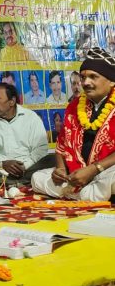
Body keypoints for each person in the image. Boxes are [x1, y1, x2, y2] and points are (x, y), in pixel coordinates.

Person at [32, 48, 115, 201]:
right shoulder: (74, 106)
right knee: (37, 178)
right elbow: (62, 143)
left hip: (106, 171)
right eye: (83, 77)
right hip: (76, 173)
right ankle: (89, 194)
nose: (86, 83)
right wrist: (60, 169)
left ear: (111, 81)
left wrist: (94, 169)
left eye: (93, 77)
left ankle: (85, 193)